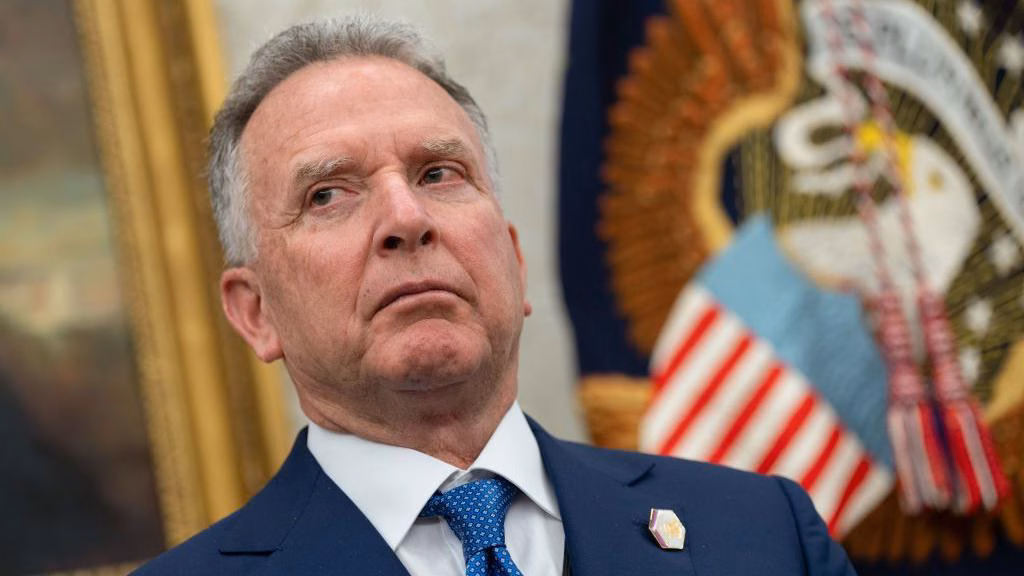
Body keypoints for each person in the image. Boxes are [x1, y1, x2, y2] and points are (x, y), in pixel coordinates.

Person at [135, 16, 856, 576]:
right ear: (256, 312)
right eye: (328, 194)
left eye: (438, 174)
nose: (406, 218)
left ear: (514, 260)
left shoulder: (764, 534)